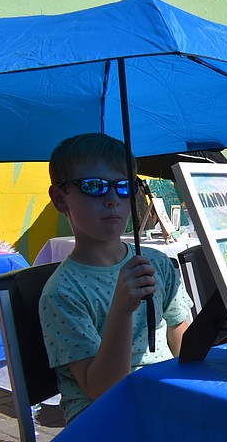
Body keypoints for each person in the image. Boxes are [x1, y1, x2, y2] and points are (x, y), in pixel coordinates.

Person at [39, 133, 193, 423]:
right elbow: (103, 389)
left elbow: (178, 333)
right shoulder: (62, 293)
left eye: (124, 187)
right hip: (102, 419)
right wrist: (121, 309)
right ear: (60, 198)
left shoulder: (155, 262)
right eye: (94, 186)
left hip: (160, 398)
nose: (112, 200)